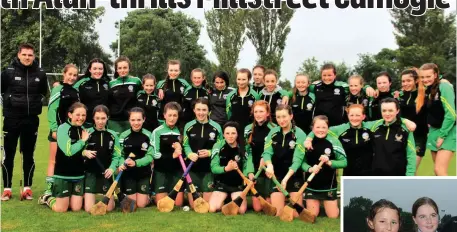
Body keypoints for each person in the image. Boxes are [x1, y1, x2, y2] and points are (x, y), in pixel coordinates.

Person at [1, 43, 48, 201]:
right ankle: (7, 188)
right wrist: (9, 103)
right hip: (11, 119)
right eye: (24, 54)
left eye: (30, 55)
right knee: (9, 154)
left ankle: (27, 188)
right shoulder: (8, 73)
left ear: (34, 56)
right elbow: (1, 92)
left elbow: (43, 93)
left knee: (29, 155)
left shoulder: (40, 73)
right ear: (19, 55)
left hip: (31, 119)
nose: (27, 58)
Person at [39, 102, 89, 212]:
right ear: (70, 115)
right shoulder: (62, 128)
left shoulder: (84, 130)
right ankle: (47, 198)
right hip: (63, 175)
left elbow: (81, 151)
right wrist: (83, 141)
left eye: (83, 115)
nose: (81, 118)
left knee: (76, 208)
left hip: (79, 176)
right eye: (78, 115)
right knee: (61, 209)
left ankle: (69, 197)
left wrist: (85, 151)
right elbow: (68, 151)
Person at [43, 64, 80, 198]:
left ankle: (66, 188)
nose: (71, 77)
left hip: (72, 132)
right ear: (64, 74)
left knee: (69, 159)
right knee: (54, 160)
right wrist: (54, 129)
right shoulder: (58, 89)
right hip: (58, 131)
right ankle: (48, 189)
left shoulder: (76, 91)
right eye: (69, 74)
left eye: (74, 75)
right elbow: (52, 110)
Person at [263, 104, 306, 217]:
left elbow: (297, 160)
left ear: (291, 116)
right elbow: (267, 152)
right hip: (277, 178)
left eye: (284, 116)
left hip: (293, 177)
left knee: (296, 214)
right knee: (278, 214)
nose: (281, 120)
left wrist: (286, 179)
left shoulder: (300, 134)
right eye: (278, 117)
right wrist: (269, 166)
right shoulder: (272, 132)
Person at [301, 115, 347, 218]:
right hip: (311, 185)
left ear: (328, 128)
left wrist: (330, 162)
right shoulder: (307, 143)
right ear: (312, 128)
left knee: (333, 216)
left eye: (324, 127)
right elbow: (302, 163)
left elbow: (344, 162)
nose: (321, 130)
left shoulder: (334, 141)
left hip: (328, 186)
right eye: (318, 127)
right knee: (312, 215)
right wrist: (310, 169)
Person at [184, 98, 222, 209]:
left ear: (209, 111)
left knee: (207, 205)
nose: (201, 113)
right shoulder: (188, 126)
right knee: (194, 205)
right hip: (192, 168)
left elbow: (220, 146)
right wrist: (190, 154)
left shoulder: (216, 127)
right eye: (198, 109)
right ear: (194, 110)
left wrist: (210, 152)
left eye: (204, 110)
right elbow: (185, 145)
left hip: (208, 168)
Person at [209, 121, 254, 214]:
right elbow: (214, 168)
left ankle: (230, 199)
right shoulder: (218, 146)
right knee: (212, 209)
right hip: (222, 184)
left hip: (237, 186)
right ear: (224, 135)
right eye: (227, 133)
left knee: (240, 210)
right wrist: (226, 168)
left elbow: (247, 164)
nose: (230, 136)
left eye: (233, 133)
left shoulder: (244, 147)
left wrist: (248, 176)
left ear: (237, 134)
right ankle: (225, 201)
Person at [82, 105, 121, 212]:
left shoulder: (113, 135)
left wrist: (112, 168)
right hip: (90, 173)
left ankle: (113, 198)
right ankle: (84, 197)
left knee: (109, 208)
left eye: (103, 118)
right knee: (89, 209)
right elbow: (77, 150)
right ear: (93, 118)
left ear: (107, 117)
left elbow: (117, 155)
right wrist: (85, 152)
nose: (100, 121)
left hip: (106, 174)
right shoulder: (87, 133)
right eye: (97, 118)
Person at [310, 63, 375, 127]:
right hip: (320, 125)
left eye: (329, 75)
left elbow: (356, 87)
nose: (327, 78)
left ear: (335, 75)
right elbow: (303, 87)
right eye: (324, 75)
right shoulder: (315, 87)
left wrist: (367, 87)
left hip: (337, 125)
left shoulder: (342, 86)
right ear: (321, 76)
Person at [420, 63, 456, 176]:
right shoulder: (428, 89)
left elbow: (451, 114)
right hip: (433, 131)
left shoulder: (444, 86)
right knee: (438, 172)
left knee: (439, 170)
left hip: (447, 132)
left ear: (435, 75)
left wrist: (442, 135)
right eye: (422, 77)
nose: (425, 79)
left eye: (428, 76)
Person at [369, 98, 416, 176]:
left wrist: (410, 175)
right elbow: (356, 120)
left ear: (397, 111)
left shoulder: (405, 129)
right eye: (384, 111)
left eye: (390, 110)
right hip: (377, 175)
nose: (387, 114)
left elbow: (411, 155)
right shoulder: (374, 126)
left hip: (398, 175)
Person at [118, 107, 154, 208]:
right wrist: (122, 163)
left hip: (143, 173)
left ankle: (150, 197)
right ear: (129, 120)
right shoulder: (123, 136)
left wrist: (136, 163)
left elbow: (150, 156)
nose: (136, 123)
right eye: (133, 120)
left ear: (144, 119)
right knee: (132, 205)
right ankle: (125, 194)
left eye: (139, 120)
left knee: (141, 205)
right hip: (129, 174)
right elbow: (120, 155)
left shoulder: (149, 135)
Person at [244, 100, 276, 212]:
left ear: (267, 113)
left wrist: (266, 160)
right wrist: (250, 171)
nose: (258, 114)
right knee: (258, 208)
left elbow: (276, 150)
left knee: (269, 206)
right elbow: (247, 153)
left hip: (270, 169)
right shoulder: (248, 129)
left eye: (261, 111)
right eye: (256, 111)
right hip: (255, 169)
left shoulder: (274, 129)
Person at [151, 102, 185, 207]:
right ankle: (152, 196)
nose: (172, 118)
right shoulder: (157, 132)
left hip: (176, 171)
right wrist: (172, 156)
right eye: (169, 115)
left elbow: (185, 152)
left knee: (178, 204)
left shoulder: (181, 131)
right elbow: (155, 154)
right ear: (164, 115)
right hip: (161, 171)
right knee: (162, 204)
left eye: (175, 115)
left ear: (178, 116)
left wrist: (181, 149)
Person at [396, 68, 428, 173]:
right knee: (404, 171)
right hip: (402, 137)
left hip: (418, 138)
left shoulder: (425, 94)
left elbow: (436, 83)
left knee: (411, 170)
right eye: (403, 81)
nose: (405, 83)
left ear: (416, 80)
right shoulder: (399, 96)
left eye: (408, 81)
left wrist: (443, 80)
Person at [107, 56, 142, 135]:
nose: (122, 70)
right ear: (116, 69)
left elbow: (146, 92)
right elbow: (109, 101)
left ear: (129, 68)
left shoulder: (136, 81)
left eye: (125, 67)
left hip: (131, 120)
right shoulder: (111, 83)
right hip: (114, 120)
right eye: (120, 68)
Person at [73, 58, 110, 128]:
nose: (98, 71)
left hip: (103, 124)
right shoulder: (82, 83)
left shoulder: (108, 82)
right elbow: (70, 93)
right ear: (90, 70)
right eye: (95, 69)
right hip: (86, 124)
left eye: (100, 69)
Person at [156, 60, 190, 126]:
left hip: (179, 118)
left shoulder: (184, 83)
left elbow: (191, 93)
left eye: (176, 70)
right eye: (171, 70)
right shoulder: (160, 84)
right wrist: (159, 89)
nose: (173, 73)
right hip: (164, 119)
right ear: (167, 70)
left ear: (180, 71)